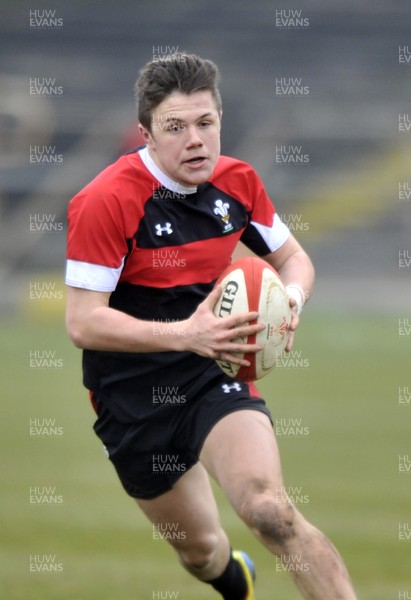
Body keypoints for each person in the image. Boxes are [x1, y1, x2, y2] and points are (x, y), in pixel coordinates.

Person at [65, 53, 357, 599]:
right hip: (131, 396)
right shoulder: (106, 200)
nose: (194, 140)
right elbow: (83, 323)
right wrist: (183, 334)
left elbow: (295, 260)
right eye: (175, 127)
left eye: (205, 123)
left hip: (213, 371)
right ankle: (232, 579)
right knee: (199, 550)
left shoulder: (238, 182)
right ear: (147, 133)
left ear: (220, 120)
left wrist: (289, 299)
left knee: (271, 511)